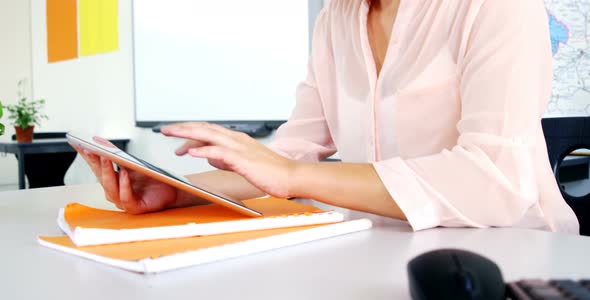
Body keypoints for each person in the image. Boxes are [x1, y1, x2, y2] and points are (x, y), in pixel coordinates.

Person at [75, 0, 579, 234]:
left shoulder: (498, 7)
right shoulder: (337, 18)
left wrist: (292, 177)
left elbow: (495, 180)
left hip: (513, 259)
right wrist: (177, 191)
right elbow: (288, 155)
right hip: (378, 255)